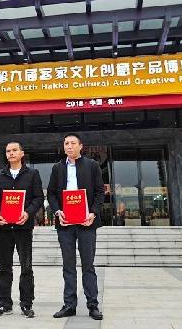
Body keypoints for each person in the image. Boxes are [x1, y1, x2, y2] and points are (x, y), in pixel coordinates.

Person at [47, 133, 105, 321]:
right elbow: (51, 194)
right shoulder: (57, 168)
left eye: (73, 143)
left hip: (87, 222)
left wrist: (93, 213)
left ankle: (93, 305)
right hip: (65, 224)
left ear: (81, 146)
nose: (69, 146)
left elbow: (100, 192)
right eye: (66, 143)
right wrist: (58, 212)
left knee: (88, 265)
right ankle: (69, 305)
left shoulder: (92, 165)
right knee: (68, 265)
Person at [0, 141, 44, 319]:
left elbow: (38, 198)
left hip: (23, 227)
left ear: (22, 153)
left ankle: (26, 304)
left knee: (26, 267)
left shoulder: (32, 174)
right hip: (4, 228)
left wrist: (28, 213)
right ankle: (4, 303)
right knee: (4, 267)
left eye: (14, 150)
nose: (11, 153)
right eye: (8, 151)